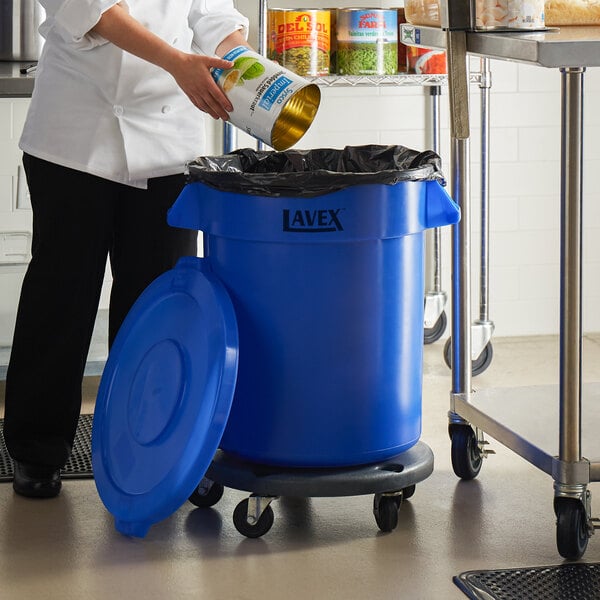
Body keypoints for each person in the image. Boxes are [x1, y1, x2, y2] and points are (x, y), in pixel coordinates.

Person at [3, 1, 250, 498]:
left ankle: (166, 449)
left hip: (167, 141)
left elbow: (213, 13)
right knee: (62, 295)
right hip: (76, 134)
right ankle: (37, 449)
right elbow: (91, 11)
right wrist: (180, 64)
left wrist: (241, 64)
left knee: (161, 305)